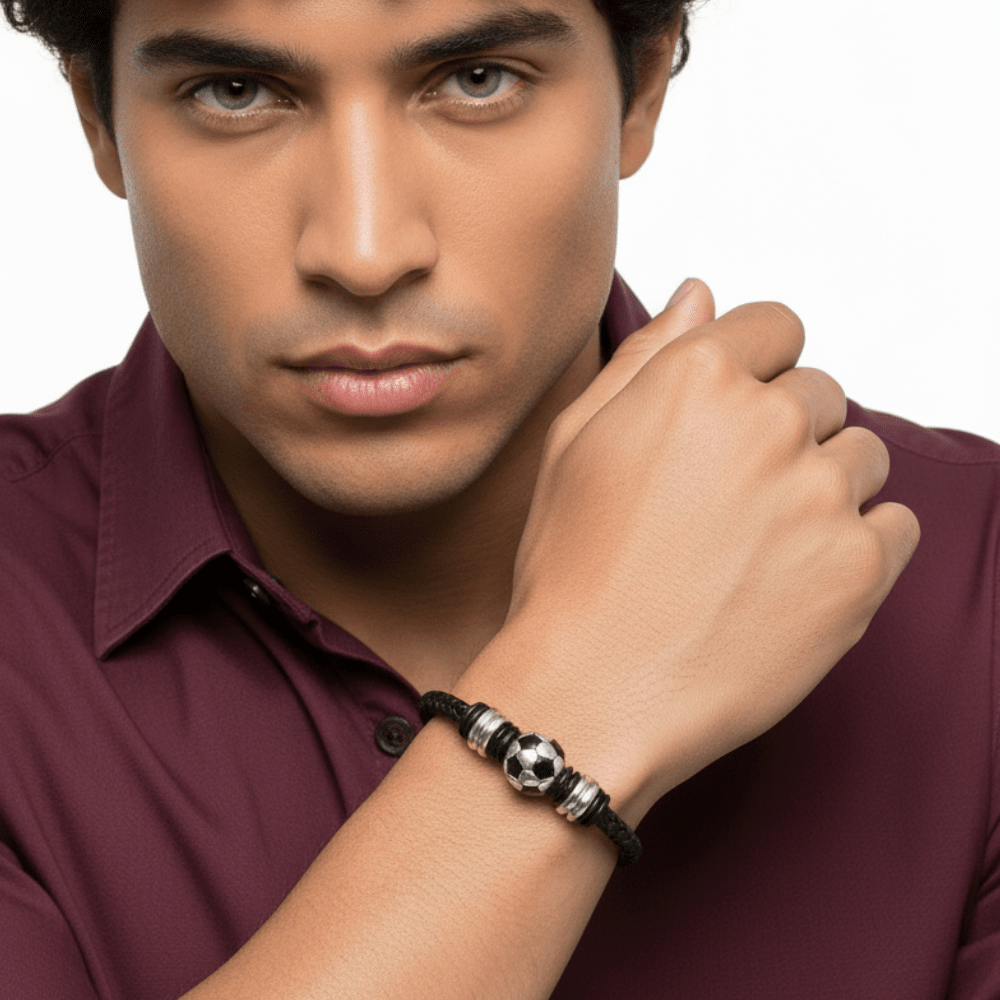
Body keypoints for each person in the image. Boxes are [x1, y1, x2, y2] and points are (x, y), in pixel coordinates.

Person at [0, 1, 994, 998]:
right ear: (97, 116)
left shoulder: (979, 593)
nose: (364, 251)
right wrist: (590, 683)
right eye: (235, 92)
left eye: (478, 80)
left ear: (643, 85)